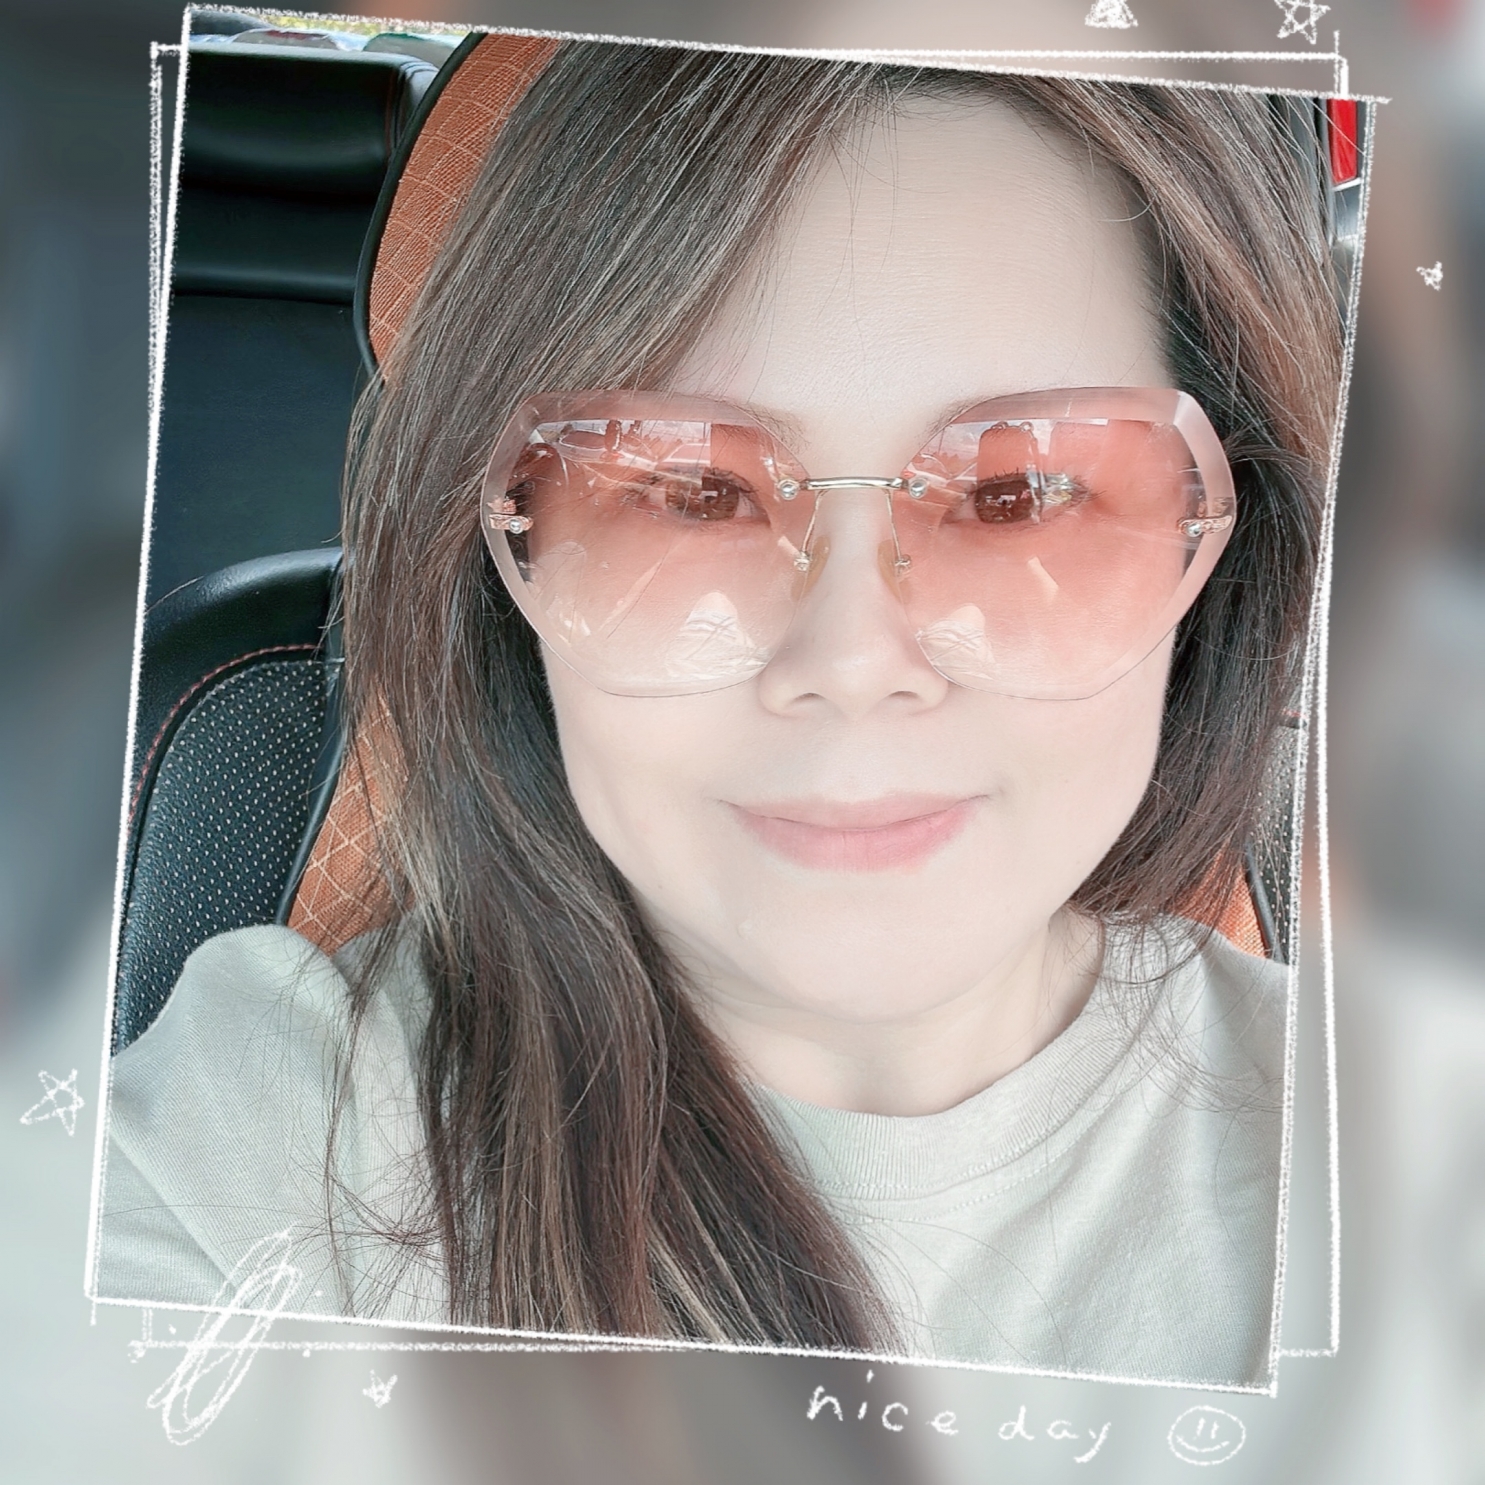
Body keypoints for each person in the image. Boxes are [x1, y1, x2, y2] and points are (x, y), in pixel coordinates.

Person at [98, 36, 1342, 1386]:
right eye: (691, 495)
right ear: (505, 552)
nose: (851, 661)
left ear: (1215, 547)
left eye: (1019, 495)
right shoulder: (259, 1141)